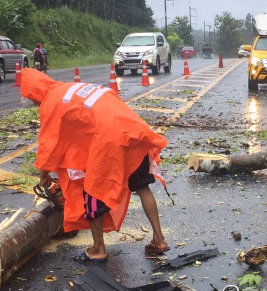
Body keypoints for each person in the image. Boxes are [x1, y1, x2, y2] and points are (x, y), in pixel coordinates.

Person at [21, 68, 170, 263]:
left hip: (110, 141)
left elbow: (50, 145)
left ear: (34, 93)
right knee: (142, 186)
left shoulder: (51, 102)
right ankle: (159, 240)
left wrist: (43, 175)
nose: (33, 103)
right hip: (133, 130)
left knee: (92, 190)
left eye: (31, 99)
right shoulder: (72, 88)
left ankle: (98, 249)